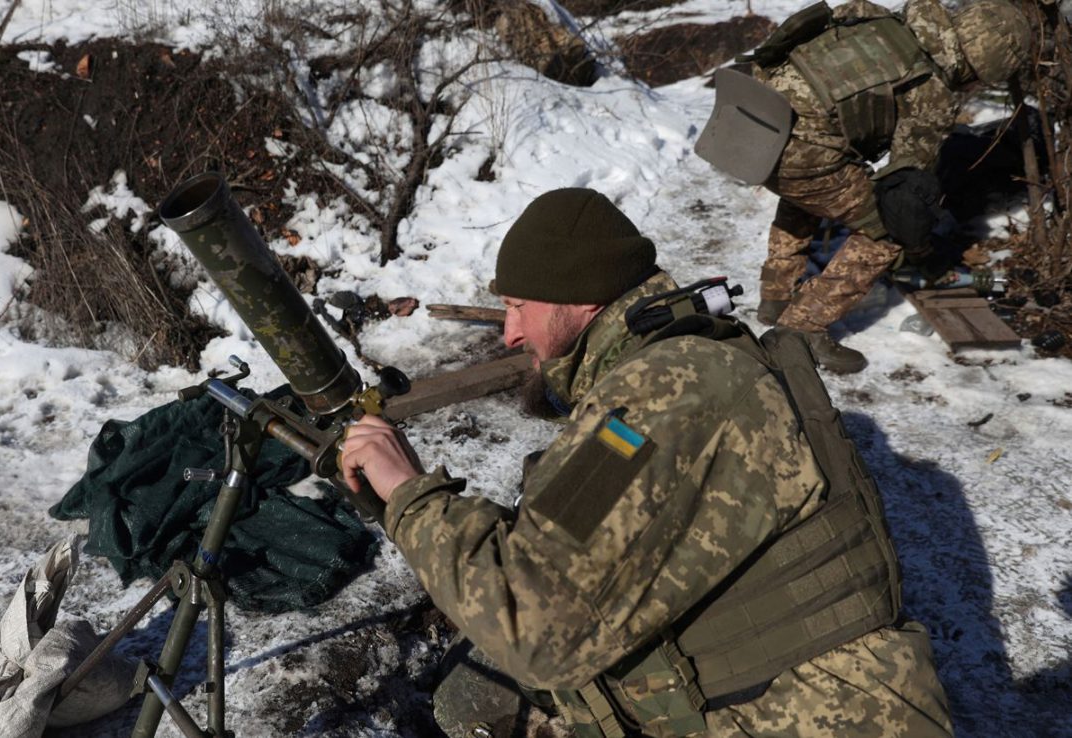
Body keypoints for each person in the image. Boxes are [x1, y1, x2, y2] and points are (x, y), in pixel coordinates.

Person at [338, 187, 954, 737]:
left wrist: (410, 494)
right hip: (811, 696)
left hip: (807, 714)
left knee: (477, 693)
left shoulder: (661, 393)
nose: (510, 334)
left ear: (579, 299)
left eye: (520, 306)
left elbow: (534, 626)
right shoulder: (683, 358)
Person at [696, 0, 1032, 373]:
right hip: (798, 156)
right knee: (885, 229)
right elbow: (905, 196)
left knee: (812, 188)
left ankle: (776, 295)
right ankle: (802, 329)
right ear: (983, 65)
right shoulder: (932, 90)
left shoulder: (878, 16)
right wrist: (919, 249)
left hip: (753, 119)